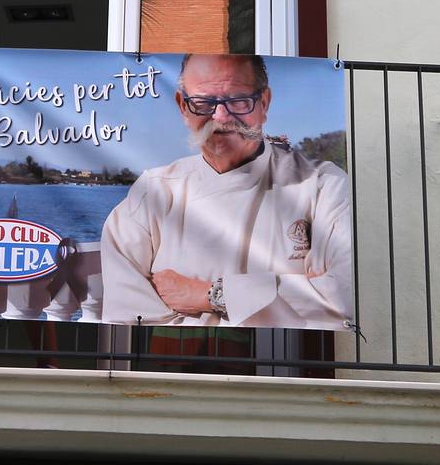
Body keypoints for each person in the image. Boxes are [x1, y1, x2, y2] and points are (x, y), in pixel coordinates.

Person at [100, 53, 354, 330]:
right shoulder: (153, 192)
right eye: (203, 102)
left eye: (237, 100)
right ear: (182, 106)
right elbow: (127, 315)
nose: (221, 116)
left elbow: (343, 298)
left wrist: (207, 296)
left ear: (264, 103)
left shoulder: (322, 185)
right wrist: (283, 294)